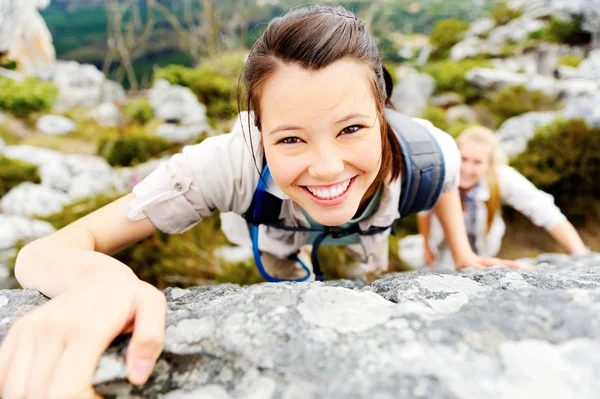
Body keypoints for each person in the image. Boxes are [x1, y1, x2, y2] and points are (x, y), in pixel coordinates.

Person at [0, 5, 527, 397]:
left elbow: (444, 185)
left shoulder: (427, 154)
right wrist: (103, 281)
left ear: (383, 113)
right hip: (277, 225)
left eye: (351, 129)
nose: (325, 166)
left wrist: (461, 255)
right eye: (290, 138)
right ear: (258, 130)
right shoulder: (227, 164)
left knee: (371, 266)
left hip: (374, 220)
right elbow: (41, 252)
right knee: (285, 271)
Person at [417, 125, 589, 271]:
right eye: (464, 159)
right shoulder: (442, 174)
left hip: (484, 248)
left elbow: (545, 211)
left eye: (477, 162)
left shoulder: (501, 178)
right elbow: (424, 212)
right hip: (442, 251)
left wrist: (580, 254)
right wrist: (426, 245)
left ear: (490, 163)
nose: (467, 169)